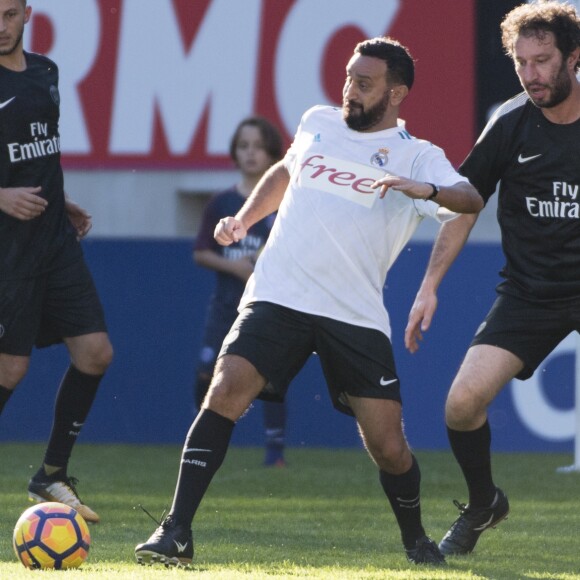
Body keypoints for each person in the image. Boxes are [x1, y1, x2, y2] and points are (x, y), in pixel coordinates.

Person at [135, 36, 483, 568]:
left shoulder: (419, 155)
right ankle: (175, 530)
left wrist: (426, 191)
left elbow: (470, 201)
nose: (350, 90)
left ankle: (416, 540)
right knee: (224, 391)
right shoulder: (318, 121)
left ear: (396, 93)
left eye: (364, 83)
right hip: (279, 294)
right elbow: (285, 171)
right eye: (348, 77)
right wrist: (246, 219)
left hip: (354, 314)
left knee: (388, 447)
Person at [405, 0, 580, 557]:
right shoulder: (509, 122)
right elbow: (466, 203)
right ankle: (484, 503)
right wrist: (429, 285)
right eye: (520, 62)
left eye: (543, 60)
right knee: (460, 404)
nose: (532, 75)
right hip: (531, 295)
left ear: (574, 58)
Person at [0, 0, 113, 524]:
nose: (0, 27)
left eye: (7, 15)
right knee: (11, 368)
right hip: (8, 248)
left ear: (27, 14)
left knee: (95, 353)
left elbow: (39, 150)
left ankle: (51, 474)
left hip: (53, 237)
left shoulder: (46, 71)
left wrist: (58, 198)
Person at [193, 115, 287, 467]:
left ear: (273, 154)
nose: (251, 154)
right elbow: (201, 252)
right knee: (206, 374)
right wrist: (236, 266)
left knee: (271, 378)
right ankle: (199, 442)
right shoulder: (221, 204)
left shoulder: (282, 204)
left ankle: (275, 453)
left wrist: (262, 266)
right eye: (244, 146)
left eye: (259, 147)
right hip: (225, 306)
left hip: (266, 307)